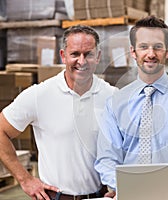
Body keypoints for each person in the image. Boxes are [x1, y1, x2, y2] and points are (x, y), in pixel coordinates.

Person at [0, 25, 118, 200]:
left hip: (99, 197)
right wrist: (25, 179)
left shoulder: (112, 96)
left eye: (89, 54)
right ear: (63, 56)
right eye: (75, 54)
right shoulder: (40, 95)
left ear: (98, 57)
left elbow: (127, 146)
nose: (82, 61)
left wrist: (120, 184)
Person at [94, 15, 168, 199]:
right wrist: (125, 188)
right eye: (143, 47)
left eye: (158, 47)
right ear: (133, 51)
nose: (151, 54)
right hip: (128, 195)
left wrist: (158, 191)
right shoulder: (116, 103)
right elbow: (107, 158)